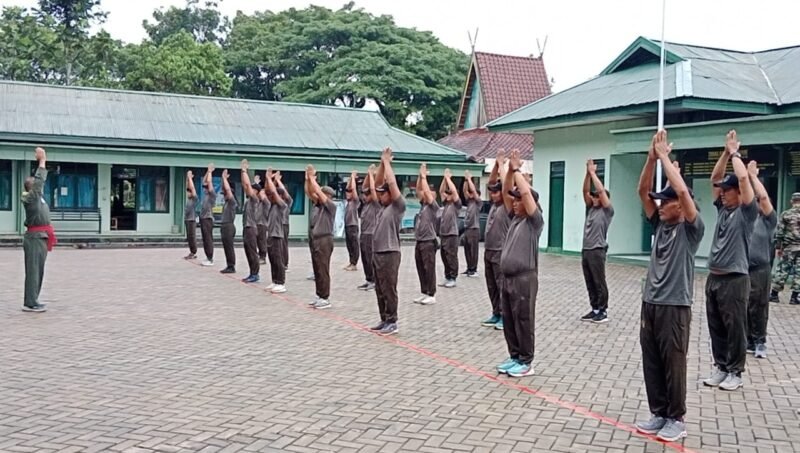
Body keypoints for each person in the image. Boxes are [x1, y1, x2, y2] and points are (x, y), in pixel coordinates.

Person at [633, 130, 704, 442]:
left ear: (679, 205)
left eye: (666, 202)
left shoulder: (691, 229)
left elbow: (685, 195)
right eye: (659, 203)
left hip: (676, 305)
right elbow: (642, 190)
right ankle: (658, 412)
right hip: (651, 302)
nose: (660, 206)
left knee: (673, 362)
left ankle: (676, 417)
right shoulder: (659, 224)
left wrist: (665, 158)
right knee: (652, 360)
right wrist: (652, 159)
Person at [703, 130, 757, 392]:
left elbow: (745, 178)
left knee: (735, 327)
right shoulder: (723, 209)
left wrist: (736, 153)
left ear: (738, 192)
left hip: (735, 278)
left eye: (728, 190)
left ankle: (736, 371)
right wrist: (724, 152)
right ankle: (721, 367)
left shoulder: (747, 212)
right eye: (722, 191)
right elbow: (714, 178)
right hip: (714, 275)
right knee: (716, 326)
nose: (722, 194)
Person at [495, 149, 544, 379]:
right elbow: (507, 191)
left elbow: (525, 193)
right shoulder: (515, 218)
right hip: (508, 278)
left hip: (525, 278)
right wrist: (505, 168)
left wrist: (516, 170)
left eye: (519, 201)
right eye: (513, 201)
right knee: (509, 318)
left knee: (523, 319)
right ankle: (514, 356)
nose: (514, 203)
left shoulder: (534, 221)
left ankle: (526, 361)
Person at [370, 148, 406, 335]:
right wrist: (381, 165)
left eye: (384, 193)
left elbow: (390, 183)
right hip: (378, 252)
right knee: (380, 288)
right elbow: (378, 184)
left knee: (389, 288)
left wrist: (386, 163)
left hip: (390, 253)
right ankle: (384, 318)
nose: (381, 195)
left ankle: (392, 321)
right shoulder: (381, 207)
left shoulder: (398, 206)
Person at [745, 161, 776, 358]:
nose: (756, 202)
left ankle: (760, 341)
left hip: (760, 269)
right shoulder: (743, 218)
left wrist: (752, 177)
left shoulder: (768, 220)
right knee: (743, 305)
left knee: (759, 305)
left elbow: (763, 197)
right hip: (741, 268)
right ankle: (747, 340)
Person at [21, 146, 57, 313]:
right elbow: (38, 184)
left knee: (39, 270)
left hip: (41, 236)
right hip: (35, 237)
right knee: (34, 271)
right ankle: (30, 302)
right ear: (32, 187)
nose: (41, 187)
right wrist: (42, 161)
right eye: (37, 185)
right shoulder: (31, 198)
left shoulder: (39, 198)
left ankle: (34, 298)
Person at [580, 159, 615, 324]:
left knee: (599, 281)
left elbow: (600, 190)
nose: (593, 197)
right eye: (593, 196)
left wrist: (594, 173)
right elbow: (585, 190)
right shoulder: (591, 209)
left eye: (597, 196)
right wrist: (587, 174)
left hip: (597, 249)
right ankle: (594, 309)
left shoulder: (607, 211)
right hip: (586, 249)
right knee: (589, 281)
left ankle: (603, 310)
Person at [481, 151, 511, 330]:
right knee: (491, 284)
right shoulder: (494, 205)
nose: (493, 195)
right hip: (489, 250)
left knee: (501, 286)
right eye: (491, 193)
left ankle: (505, 317)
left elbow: (506, 187)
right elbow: (492, 182)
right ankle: (496, 313)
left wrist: (503, 167)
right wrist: (495, 165)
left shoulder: (508, 204)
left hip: (501, 251)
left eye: (496, 192)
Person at [305, 164, 337, 309]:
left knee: (323, 268)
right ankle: (319, 295)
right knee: (317, 267)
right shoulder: (317, 205)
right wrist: (308, 179)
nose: (317, 196)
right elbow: (309, 192)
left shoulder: (330, 206)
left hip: (325, 239)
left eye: (321, 194)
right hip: (316, 239)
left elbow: (316, 191)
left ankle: (325, 297)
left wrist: (312, 178)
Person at [413, 163, 439, 306]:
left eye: (428, 192)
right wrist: (419, 176)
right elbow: (419, 190)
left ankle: (431, 293)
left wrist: (424, 178)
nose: (424, 193)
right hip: (419, 241)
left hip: (429, 241)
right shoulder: (423, 206)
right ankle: (424, 292)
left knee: (429, 268)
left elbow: (427, 194)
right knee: (420, 267)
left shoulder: (433, 207)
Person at [770, 192, 800, 304]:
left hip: (788, 248)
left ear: (792, 201)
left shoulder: (785, 214)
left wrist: (779, 247)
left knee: (782, 270)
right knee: (799, 272)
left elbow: (780, 232)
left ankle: (774, 295)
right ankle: (795, 297)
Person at [265, 169, 288, 294]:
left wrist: (269, 179)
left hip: (278, 235)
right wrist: (269, 180)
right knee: (272, 259)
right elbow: (269, 191)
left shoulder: (282, 205)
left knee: (278, 259)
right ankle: (275, 281)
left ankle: (281, 282)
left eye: (275, 196)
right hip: (271, 235)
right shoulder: (272, 205)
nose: (272, 197)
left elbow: (273, 191)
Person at [358, 166, 380, 291]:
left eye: (367, 195)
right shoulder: (365, 204)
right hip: (364, 234)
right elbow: (365, 187)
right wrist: (368, 174)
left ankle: (375, 281)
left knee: (371, 259)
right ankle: (368, 279)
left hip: (372, 234)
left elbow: (372, 188)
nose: (365, 196)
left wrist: (372, 175)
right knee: (365, 258)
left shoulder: (376, 203)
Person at [438, 169, 462, 288]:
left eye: (450, 194)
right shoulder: (446, 204)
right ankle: (447, 276)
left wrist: (449, 179)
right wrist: (444, 178)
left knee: (451, 256)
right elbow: (441, 191)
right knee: (444, 256)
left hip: (452, 234)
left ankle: (453, 277)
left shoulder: (456, 205)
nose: (447, 195)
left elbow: (453, 192)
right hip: (443, 234)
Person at [240, 160, 262, 283]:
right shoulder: (249, 200)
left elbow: (247, 186)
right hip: (247, 228)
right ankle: (252, 272)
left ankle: (255, 273)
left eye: (253, 189)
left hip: (251, 228)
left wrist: (244, 171)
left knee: (252, 251)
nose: (249, 190)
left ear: (256, 192)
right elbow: (245, 185)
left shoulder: (254, 199)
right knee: (248, 251)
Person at [462, 170, 482, 278]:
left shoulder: (478, 203)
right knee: (467, 250)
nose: (470, 194)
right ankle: (469, 268)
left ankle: (474, 269)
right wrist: (466, 180)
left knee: (473, 250)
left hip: (474, 229)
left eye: (473, 193)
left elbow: (473, 191)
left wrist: (470, 179)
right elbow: (465, 191)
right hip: (467, 229)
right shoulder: (469, 202)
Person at [219, 169, 238, 274]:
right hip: (225, 226)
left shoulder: (232, 202)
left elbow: (228, 191)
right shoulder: (227, 202)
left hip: (229, 226)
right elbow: (224, 188)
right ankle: (229, 265)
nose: (224, 194)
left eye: (225, 193)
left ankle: (232, 266)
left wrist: (225, 179)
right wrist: (223, 180)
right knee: (226, 247)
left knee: (229, 247)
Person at [199, 164, 216, 266]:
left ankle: (210, 258)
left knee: (208, 238)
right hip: (203, 218)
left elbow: (208, 182)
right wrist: (207, 172)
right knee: (205, 239)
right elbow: (204, 181)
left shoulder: (212, 195)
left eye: (206, 187)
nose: (205, 188)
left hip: (208, 219)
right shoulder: (206, 195)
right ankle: (207, 257)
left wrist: (210, 172)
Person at [343, 171, 360, 271]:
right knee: (349, 245)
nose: (347, 193)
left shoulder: (355, 201)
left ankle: (354, 263)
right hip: (347, 225)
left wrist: (353, 178)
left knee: (354, 244)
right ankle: (351, 262)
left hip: (353, 225)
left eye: (349, 193)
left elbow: (353, 189)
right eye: (346, 192)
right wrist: (350, 178)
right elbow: (349, 188)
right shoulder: (348, 203)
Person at [184, 170, 198, 260]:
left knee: (192, 237)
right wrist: (187, 179)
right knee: (189, 237)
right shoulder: (188, 200)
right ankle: (191, 252)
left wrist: (190, 178)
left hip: (192, 220)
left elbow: (192, 189)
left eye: (188, 192)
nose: (187, 193)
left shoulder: (194, 199)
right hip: (187, 220)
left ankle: (194, 252)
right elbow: (188, 187)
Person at [257, 175, 271, 266]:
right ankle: (260, 255)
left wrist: (260, 188)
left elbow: (262, 194)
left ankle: (263, 257)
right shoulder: (258, 202)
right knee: (258, 241)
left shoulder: (266, 202)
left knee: (262, 241)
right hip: (257, 223)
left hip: (263, 224)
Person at [280, 178, 293, 271]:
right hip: (276, 225)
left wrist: (278, 181)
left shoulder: (287, 202)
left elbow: (286, 195)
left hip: (284, 225)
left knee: (283, 245)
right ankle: (279, 262)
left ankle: (285, 264)